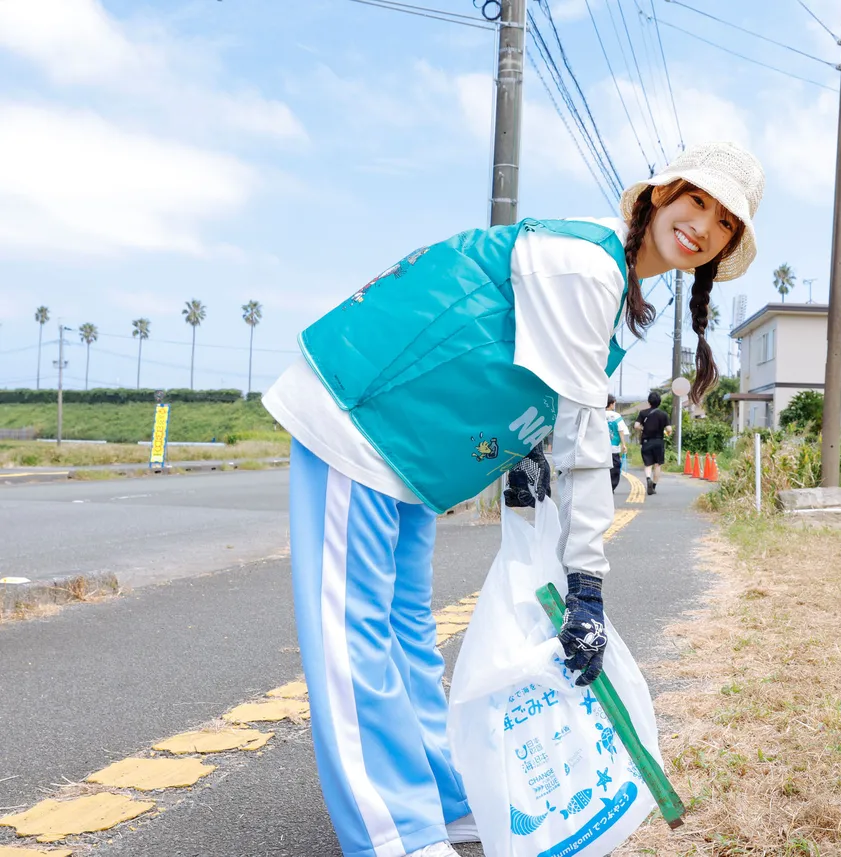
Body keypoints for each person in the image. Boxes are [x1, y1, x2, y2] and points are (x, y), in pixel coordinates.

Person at [261, 142, 763, 857]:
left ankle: (439, 798)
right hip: (364, 414)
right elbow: (586, 444)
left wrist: (531, 465)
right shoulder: (590, 266)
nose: (702, 225)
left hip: (415, 450)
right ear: (661, 195)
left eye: (724, 223)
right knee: (354, 642)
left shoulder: (613, 284)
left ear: (724, 249)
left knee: (405, 631)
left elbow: (542, 390)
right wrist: (587, 583)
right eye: (697, 200)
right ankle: (396, 836)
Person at [634, 391, 671, 496]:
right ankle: (653, 486)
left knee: (648, 464)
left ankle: (648, 478)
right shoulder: (663, 414)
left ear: (649, 401)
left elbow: (636, 425)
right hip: (658, 441)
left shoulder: (643, 413)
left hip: (646, 441)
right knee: (657, 465)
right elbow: (669, 429)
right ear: (659, 402)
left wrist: (643, 428)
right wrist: (667, 432)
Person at [606, 394, 629, 491]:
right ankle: (611, 486)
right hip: (613, 447)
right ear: (611, 404)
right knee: (614, 467)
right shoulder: (615, 416)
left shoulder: (598, 414)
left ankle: (603, 487)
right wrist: (624, 444)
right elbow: (621, 430)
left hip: (599, 448)